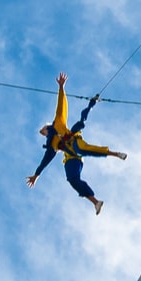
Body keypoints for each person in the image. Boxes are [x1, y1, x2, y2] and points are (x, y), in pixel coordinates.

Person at [26, 72, 126, 214]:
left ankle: (115, 154)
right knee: (72, 179)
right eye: (43, 134)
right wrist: (37, 174)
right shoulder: (52, 145)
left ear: (47, 127)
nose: (44, 135)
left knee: (82, 146)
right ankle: (96, 202)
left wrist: (61, 87)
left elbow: (60, 106)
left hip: (75, 143)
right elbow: (46, 160)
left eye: (43, 131)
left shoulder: (57, 124)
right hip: (72, 158)